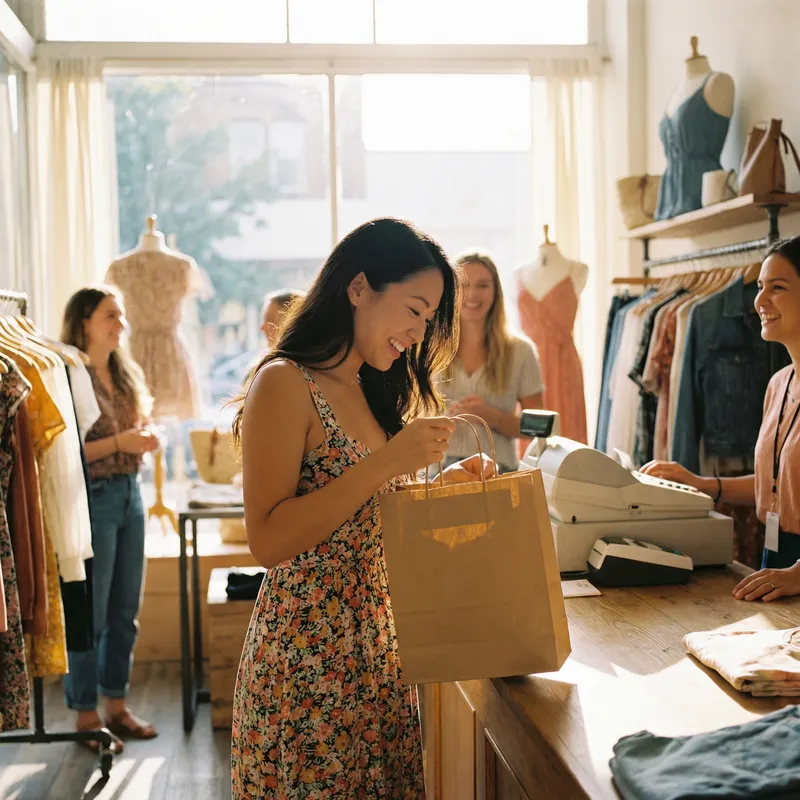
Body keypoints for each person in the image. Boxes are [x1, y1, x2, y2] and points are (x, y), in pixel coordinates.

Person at [230, 218, 493, 798]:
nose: (419, 333)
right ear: (358, 288)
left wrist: (442, 482)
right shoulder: (284, 382)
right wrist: (387, 463)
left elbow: (366, 510)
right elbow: (268, 540)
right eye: (414, 309)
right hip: (305, 664)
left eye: (428, 321)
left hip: (375, 655)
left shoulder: (370, 388)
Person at [641, 237, 800, 602]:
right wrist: (699, 482)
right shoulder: (779, 384)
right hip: (775, 560)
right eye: (760, 287)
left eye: (777, 287)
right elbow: (773, 485)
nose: (760, 300)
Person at [61, 287, 160, 751]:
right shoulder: (67, 375)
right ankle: (85, 716)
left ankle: (115, 708)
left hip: (130, 496)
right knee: (92, 615)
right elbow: (66, 451)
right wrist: (123, 443)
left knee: (125, 613)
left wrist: (143, 439)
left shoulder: (125, 372)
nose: (121, 321)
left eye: (121, 313)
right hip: (94, 499)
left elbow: (128, 435)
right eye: (110, 314)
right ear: (84, 322)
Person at [440, 250, 544, 473]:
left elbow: (539, 427)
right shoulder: (430, 349)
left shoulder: (521, 351)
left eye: (483, 285)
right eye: (463, 285)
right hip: (438, 472)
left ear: (496, 292)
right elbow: (409, 418)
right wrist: (443, 420)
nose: (472, 295)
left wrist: (491, 417)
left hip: (500, 470)